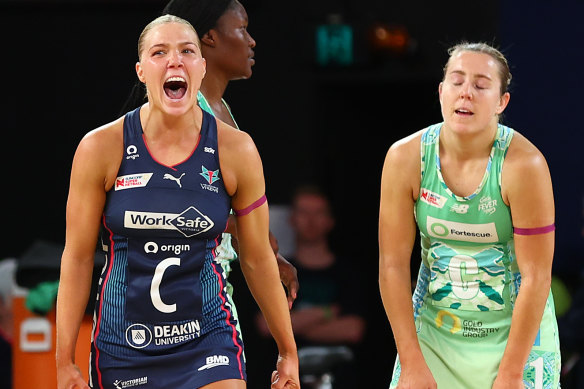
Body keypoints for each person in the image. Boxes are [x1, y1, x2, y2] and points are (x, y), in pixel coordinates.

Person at [56, 14, 299, 389]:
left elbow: (256, 257)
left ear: (201, 68)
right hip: (124, 345)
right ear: (140, 71)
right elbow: (77, 257)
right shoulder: (101, 147)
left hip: (207, 338)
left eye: (187, 51)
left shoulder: (236, 149)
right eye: (159, 52)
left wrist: (287, 352)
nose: (175, 61)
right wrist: (64, 362)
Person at [378, 42, 561, 388]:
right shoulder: (404, 158)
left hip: (517, 338)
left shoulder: (525, 165)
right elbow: (391, 267)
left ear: (501, 102)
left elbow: (537, 276)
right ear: (441, 91)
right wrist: (411, 361)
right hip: (435, 335)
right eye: (457, 82)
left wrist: (511, 373)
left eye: (480, 85)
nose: (466, 94)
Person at [121, 0, 299, 311]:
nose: (251, 40)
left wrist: (260, 246)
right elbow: (159, 201)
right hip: (172, 284)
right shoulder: (183, 111)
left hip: (212, 277)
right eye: (242, 29)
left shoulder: (220, 110)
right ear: (210, 38)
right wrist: (247, 228)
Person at [256, 185, 366, 388]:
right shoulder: (278, 270)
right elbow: (264, 325)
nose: (311, 220)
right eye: (304, 212)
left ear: (331, 221)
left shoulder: (348, 273)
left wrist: (290, 326)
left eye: (319, 213)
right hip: (287, 380)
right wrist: (327, 312)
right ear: (292, 218)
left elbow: (353, 329)